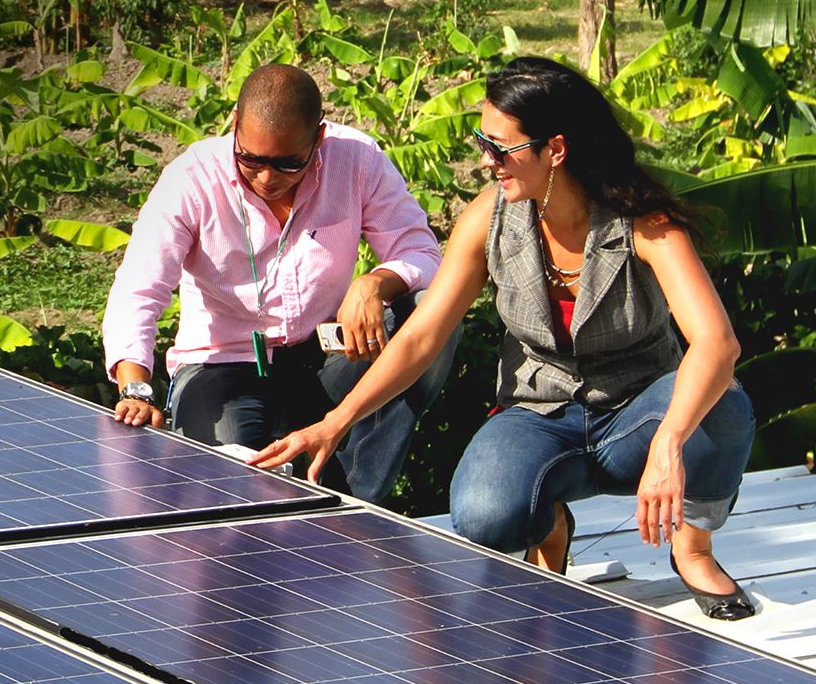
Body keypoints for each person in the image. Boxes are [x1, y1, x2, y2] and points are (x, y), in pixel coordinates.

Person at [253, 56, 758, 620]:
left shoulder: (644, 222)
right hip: (539, 414)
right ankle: (550, 520)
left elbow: (717, 343)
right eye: (481, 141)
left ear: (555, 150)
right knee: (484, 517)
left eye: (500, 148)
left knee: (723, 403)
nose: (485, 160)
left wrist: (669, 441)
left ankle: (692, 549)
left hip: (637, 412)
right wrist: (335, 421)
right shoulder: (487, 220)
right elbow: (423, 335)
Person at [101, 63, 454, 503]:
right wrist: (136, 388)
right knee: (232, 493)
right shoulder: (191, 179)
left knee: (431, 311)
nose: (267, 178)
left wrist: (377, 282)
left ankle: (357, 498)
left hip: (323, 357)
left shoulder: (357, 159)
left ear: (318, 140)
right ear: (234, 126)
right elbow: (139, 287)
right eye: (251, 159)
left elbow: (422, 254)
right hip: (221, 366)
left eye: (289, 164)